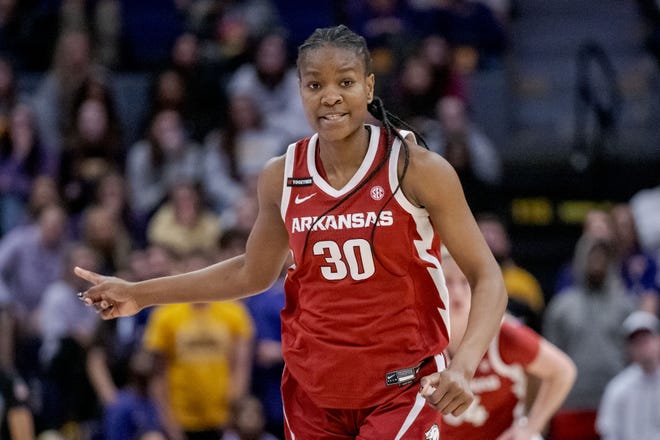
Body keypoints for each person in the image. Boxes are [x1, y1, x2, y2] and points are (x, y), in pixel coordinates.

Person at [75, 24, 508, 439]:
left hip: (404, 385)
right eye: (315, 85)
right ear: (299, 91)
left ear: (370, 88)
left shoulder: (416, 168)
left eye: (346, 82)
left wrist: (464, 364)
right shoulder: (281, 175)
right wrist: (140, 293)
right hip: (313, 390)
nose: (330, 97)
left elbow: (487, 277)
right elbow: (251, 272)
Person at [440, 252, 576, 440]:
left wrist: (530, 427)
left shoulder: (503, 334)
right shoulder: (420, 341)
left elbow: (563, 371)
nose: (456, 292)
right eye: (447, 281)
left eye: (465, 282)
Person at [596, 310, 660, 440]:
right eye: (636, 342)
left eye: (646, 339)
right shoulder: (618, 388)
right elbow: (609, 432)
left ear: (658, 340)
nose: (643, 347)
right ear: (628, 348)